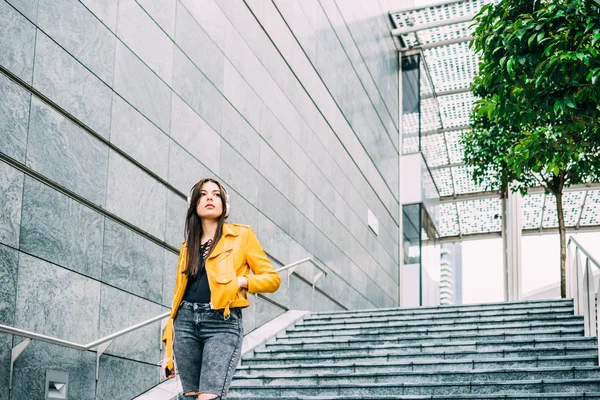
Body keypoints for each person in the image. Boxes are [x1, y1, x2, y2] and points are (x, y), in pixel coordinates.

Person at [161, 178, 281, 399]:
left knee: (210, 396)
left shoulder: (241, 236)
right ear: (194, 204)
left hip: (222, 323)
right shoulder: (187, 247)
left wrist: (242, 282)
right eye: (203, 194)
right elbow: (177, 296)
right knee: (190, 396)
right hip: (185, 322)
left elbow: (272, 279)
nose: (209, 198)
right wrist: (169, 344)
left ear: (225, 206)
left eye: (216, 194)